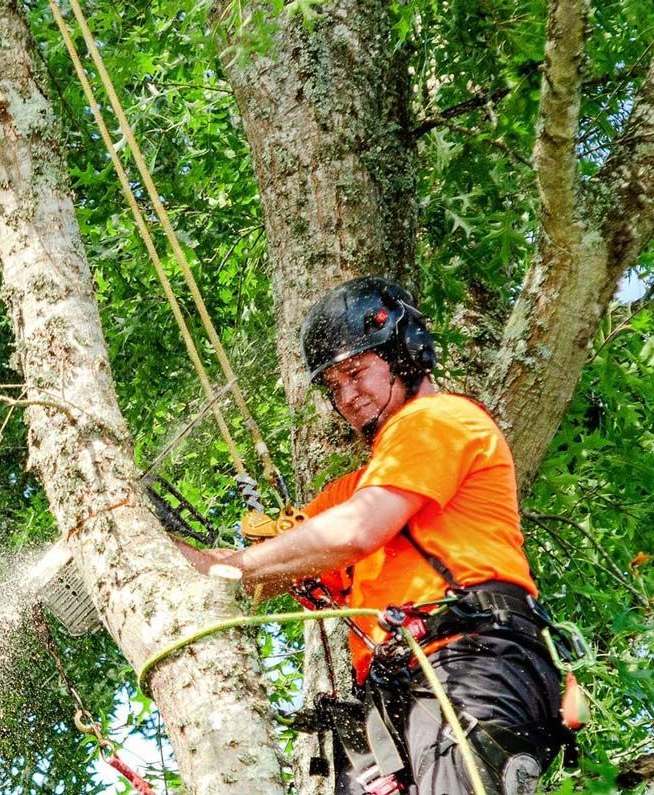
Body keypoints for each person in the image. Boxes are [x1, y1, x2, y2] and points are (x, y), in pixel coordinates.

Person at [175, 277, 568, 794]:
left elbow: (357, 532)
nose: (347, 397)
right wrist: (173, 554)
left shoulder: (438, 420)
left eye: (356, 373)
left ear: (404, 354)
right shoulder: (356, 490)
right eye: (333, 386)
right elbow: (274, 565)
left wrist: (241, 566)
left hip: (467, 661)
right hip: (400, 692)